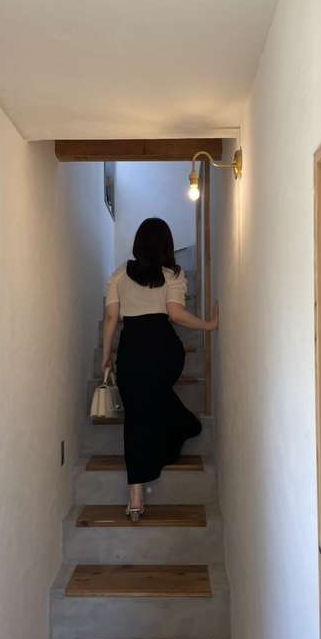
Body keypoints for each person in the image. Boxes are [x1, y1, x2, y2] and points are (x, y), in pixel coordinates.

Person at [102, 217, 219, 521]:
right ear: (167, 245)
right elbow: (176, 314)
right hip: (165, 351)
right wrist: (209, 325)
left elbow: (112, 319)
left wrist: (106, 355)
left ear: (138, 243)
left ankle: (135, 494)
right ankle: (184, 426)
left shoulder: (119, 274)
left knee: (136, 417)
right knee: (151, 403)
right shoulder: (172, 274)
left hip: (131, 351)